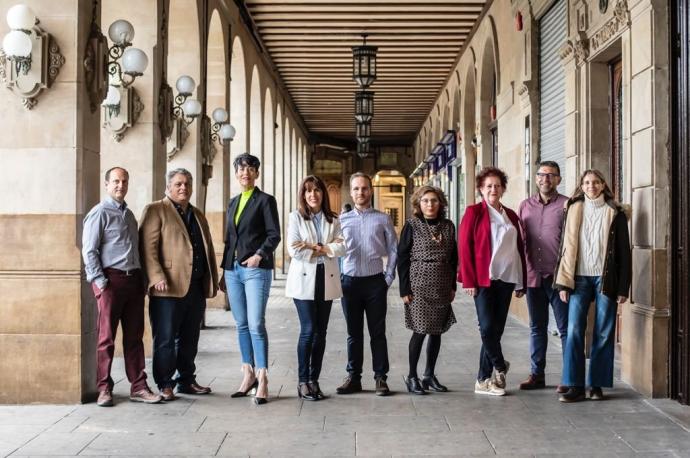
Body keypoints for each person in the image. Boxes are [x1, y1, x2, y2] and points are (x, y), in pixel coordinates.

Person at [82, 167, 162, 406]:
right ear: (107, 184)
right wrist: (101, 283)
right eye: (115, 181)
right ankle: (104, 388)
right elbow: (89, 251)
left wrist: (143, 281)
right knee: (106, 338)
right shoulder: (99, 213)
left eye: (124, 181)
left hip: (133, 282)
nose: (120, 185)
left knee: (135, 338)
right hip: (111, 282)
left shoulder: (128, 214)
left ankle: (138, 386)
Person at [139, 168, 218, 401]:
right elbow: (147, 247)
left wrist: (213, 277)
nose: (183, 188)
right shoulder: (156, 210)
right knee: (165, 339)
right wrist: (156, 276)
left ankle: (186, 380)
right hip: (167, 287)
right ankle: (165, 383)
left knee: (190, 337)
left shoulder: (197, 214)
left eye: (187, 184)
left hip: (194, 286)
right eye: (178, 184)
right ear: (168, 187)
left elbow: (207, 249)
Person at [554, 169, 631, 403]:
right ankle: (575, 385)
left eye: (595, 182)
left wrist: (622, 288)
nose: (591, 186)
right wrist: (563, 284)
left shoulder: (615, 213)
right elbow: (565, 248)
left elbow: (624, 254)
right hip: (578, 278)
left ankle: (596, 385)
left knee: (604, 330)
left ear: (603, 185)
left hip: (605, 278)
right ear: (581, 185)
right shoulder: (573, 209)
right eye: (586, 182)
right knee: (575, 329)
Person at [458, 166, 526, 396]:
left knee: (495, 331)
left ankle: (483, 379)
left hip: (506, 279)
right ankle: (499, 365)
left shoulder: (511, 215)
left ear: (504, 188)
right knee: (486, 328)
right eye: (488, 186)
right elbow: (464, 248)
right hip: (483, 280)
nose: (493, 189)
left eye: (497, 185)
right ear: (481, 189)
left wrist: (521, 280)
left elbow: (519, 249)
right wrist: (468, 280)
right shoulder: (474, 212)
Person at [220, 153, 281, 405]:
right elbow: (229, 240)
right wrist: (224, 270)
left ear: (257, 173)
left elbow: (274, 234)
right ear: (236, 174)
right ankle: (247, 375)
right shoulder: (233, 202)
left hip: (256, 269)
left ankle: (263, 376)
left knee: (256, 324)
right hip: (232, 271)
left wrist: (259, 255)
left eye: (250, 169)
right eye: (241, 169)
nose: (245, 173)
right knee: (241, 324)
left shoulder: (265, 201)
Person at [336, 172, 398, 396]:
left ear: (370, 190)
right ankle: (354, 377)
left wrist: (388, 277)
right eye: (356, 189)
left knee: (377, 332)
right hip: (349, 283)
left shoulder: (383, 219)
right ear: (351, 192)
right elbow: (333, 252)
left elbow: (393, 248)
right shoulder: (341, 221)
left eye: (364, 188)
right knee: (353, 333)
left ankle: (381, 378)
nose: (360, 192)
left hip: (374, 283)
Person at [286, 175, 346, 401]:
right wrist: (325, 249)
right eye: (308, 191)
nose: (313, 194)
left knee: (321, 333)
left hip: (326, 278)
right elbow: (294, 249)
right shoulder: (296, 217)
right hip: (303, 280)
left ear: (324, 193)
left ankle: (314, 380)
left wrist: (314, 246)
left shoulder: (333, 218)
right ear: (303, 195)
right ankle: (302, 381)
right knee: (308, 330)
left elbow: (343, 248)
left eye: (317, 190)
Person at [397, 185, 457, 395]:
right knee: (420, 330)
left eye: (433, 200)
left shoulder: (448, 226)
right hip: (419, 284)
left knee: (436, 331)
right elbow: (402, 258)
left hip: (442, 284)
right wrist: (404, 289)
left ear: (440, 203)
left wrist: (452, 286)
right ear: (418, 204)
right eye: (425, 201)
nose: (429, 204)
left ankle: (429, 375)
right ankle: (412, 376)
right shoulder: (411, 226)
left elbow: (454, 257)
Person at [517, 161, 569, 392]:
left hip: (559, 278)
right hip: (532, 275)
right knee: (537, 327)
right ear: (536, 178)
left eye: (551, 175)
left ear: (558, 179)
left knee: (566, 329)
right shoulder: (525, 206)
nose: (545, 179)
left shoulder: (568, 205)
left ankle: (569, 377)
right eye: (541, 175)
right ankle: (537, 375)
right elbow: (519, 242)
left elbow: (572, 242)